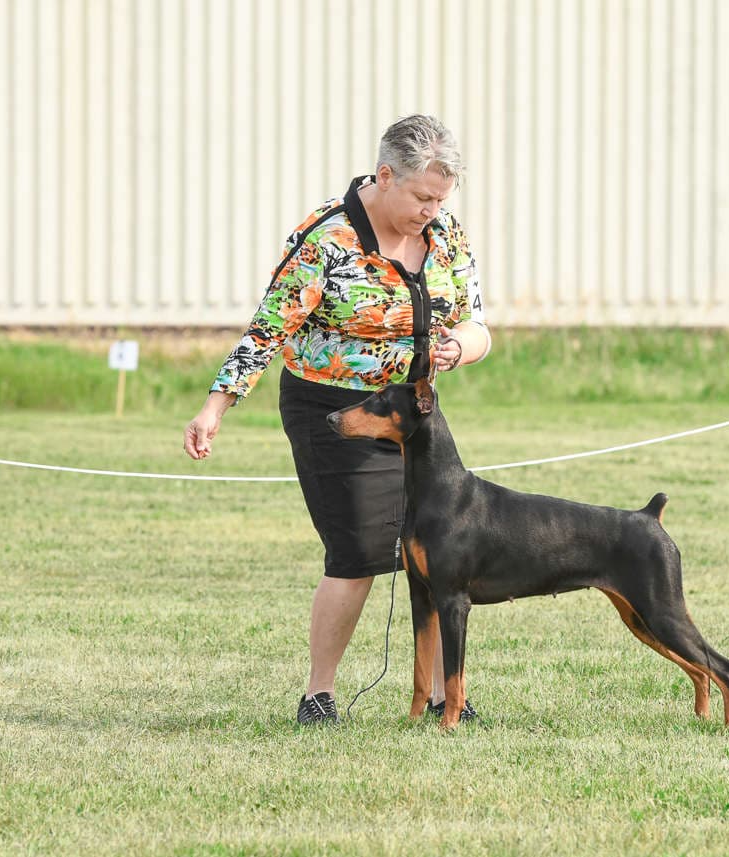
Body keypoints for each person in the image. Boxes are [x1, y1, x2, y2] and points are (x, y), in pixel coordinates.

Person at [183, 115, 490, 725]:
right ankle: (318, 696)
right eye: (423, 197)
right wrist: (216, 406)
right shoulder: (327, 238)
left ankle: (436, 695)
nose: (433, 211)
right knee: (359, 549)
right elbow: (269, 328)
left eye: (442, 199)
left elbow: (477, 322)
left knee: (430, 549)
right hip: (333, 411)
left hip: (412, 412)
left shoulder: (446, 234)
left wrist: (461, 346)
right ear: (385, 176)